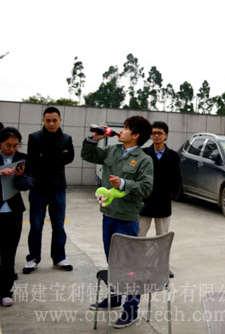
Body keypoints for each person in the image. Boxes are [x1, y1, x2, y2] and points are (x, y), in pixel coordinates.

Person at [81, 115, 153, 329]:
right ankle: (115, 297)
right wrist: (94, 139)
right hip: (108, 215)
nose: (121, 131)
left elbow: (146, 188)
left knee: (129, 267)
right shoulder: (113, 150)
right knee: (113, 261)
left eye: (125, 128)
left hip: (127, 219)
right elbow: (88, 154)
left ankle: (131, 309)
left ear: (136, 135)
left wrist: (123, 183)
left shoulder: (143, 159)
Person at [23, 106, 75, 274]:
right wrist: (56, 156)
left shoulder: (66, 138)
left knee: (58, 226)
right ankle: (33, 258)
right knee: (36, 226)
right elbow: (32, 161)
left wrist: (45, 157)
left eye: (54, 120)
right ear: (43, 121)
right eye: (48, 120)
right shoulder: (34, 137)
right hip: (38, 188)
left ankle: (59, 258)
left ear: (60, 120)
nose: (51, 123)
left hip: (58, 188)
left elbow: (69, 158)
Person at [0, 127, 34, 307]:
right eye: (7, 145)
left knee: (9, 252)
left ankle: (6, 291)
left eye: (15, 145)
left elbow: (29, 183)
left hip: (13, 213)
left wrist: (20, 177)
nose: (11, 149)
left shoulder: (23, 159)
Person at [139, 121, 181, 237]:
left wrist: (172, 194)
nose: (156, 136)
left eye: (159, 133)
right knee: (139, 233)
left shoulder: (173, 156)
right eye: (153, 133)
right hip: (145, 200)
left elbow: (177, 178)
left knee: (162, 235)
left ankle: (161, 255)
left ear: (165, 135)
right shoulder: (144, 154)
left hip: (163, 202)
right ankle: (138, 255)